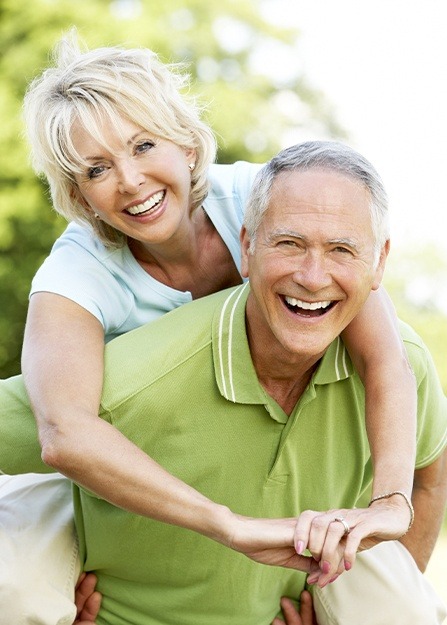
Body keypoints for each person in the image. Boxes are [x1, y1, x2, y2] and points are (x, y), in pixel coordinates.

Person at [0, 33, 417, 621]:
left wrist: (391, 500)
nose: (130, 180)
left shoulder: (267, 200)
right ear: (80, 195)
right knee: (14, 588)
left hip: (264, 456)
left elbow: (386, 357)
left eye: (144, 145)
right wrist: (229, 526)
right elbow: (65, 433)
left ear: (187, 145)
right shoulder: (73, 276)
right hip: (118, 479)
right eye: (98, 169)